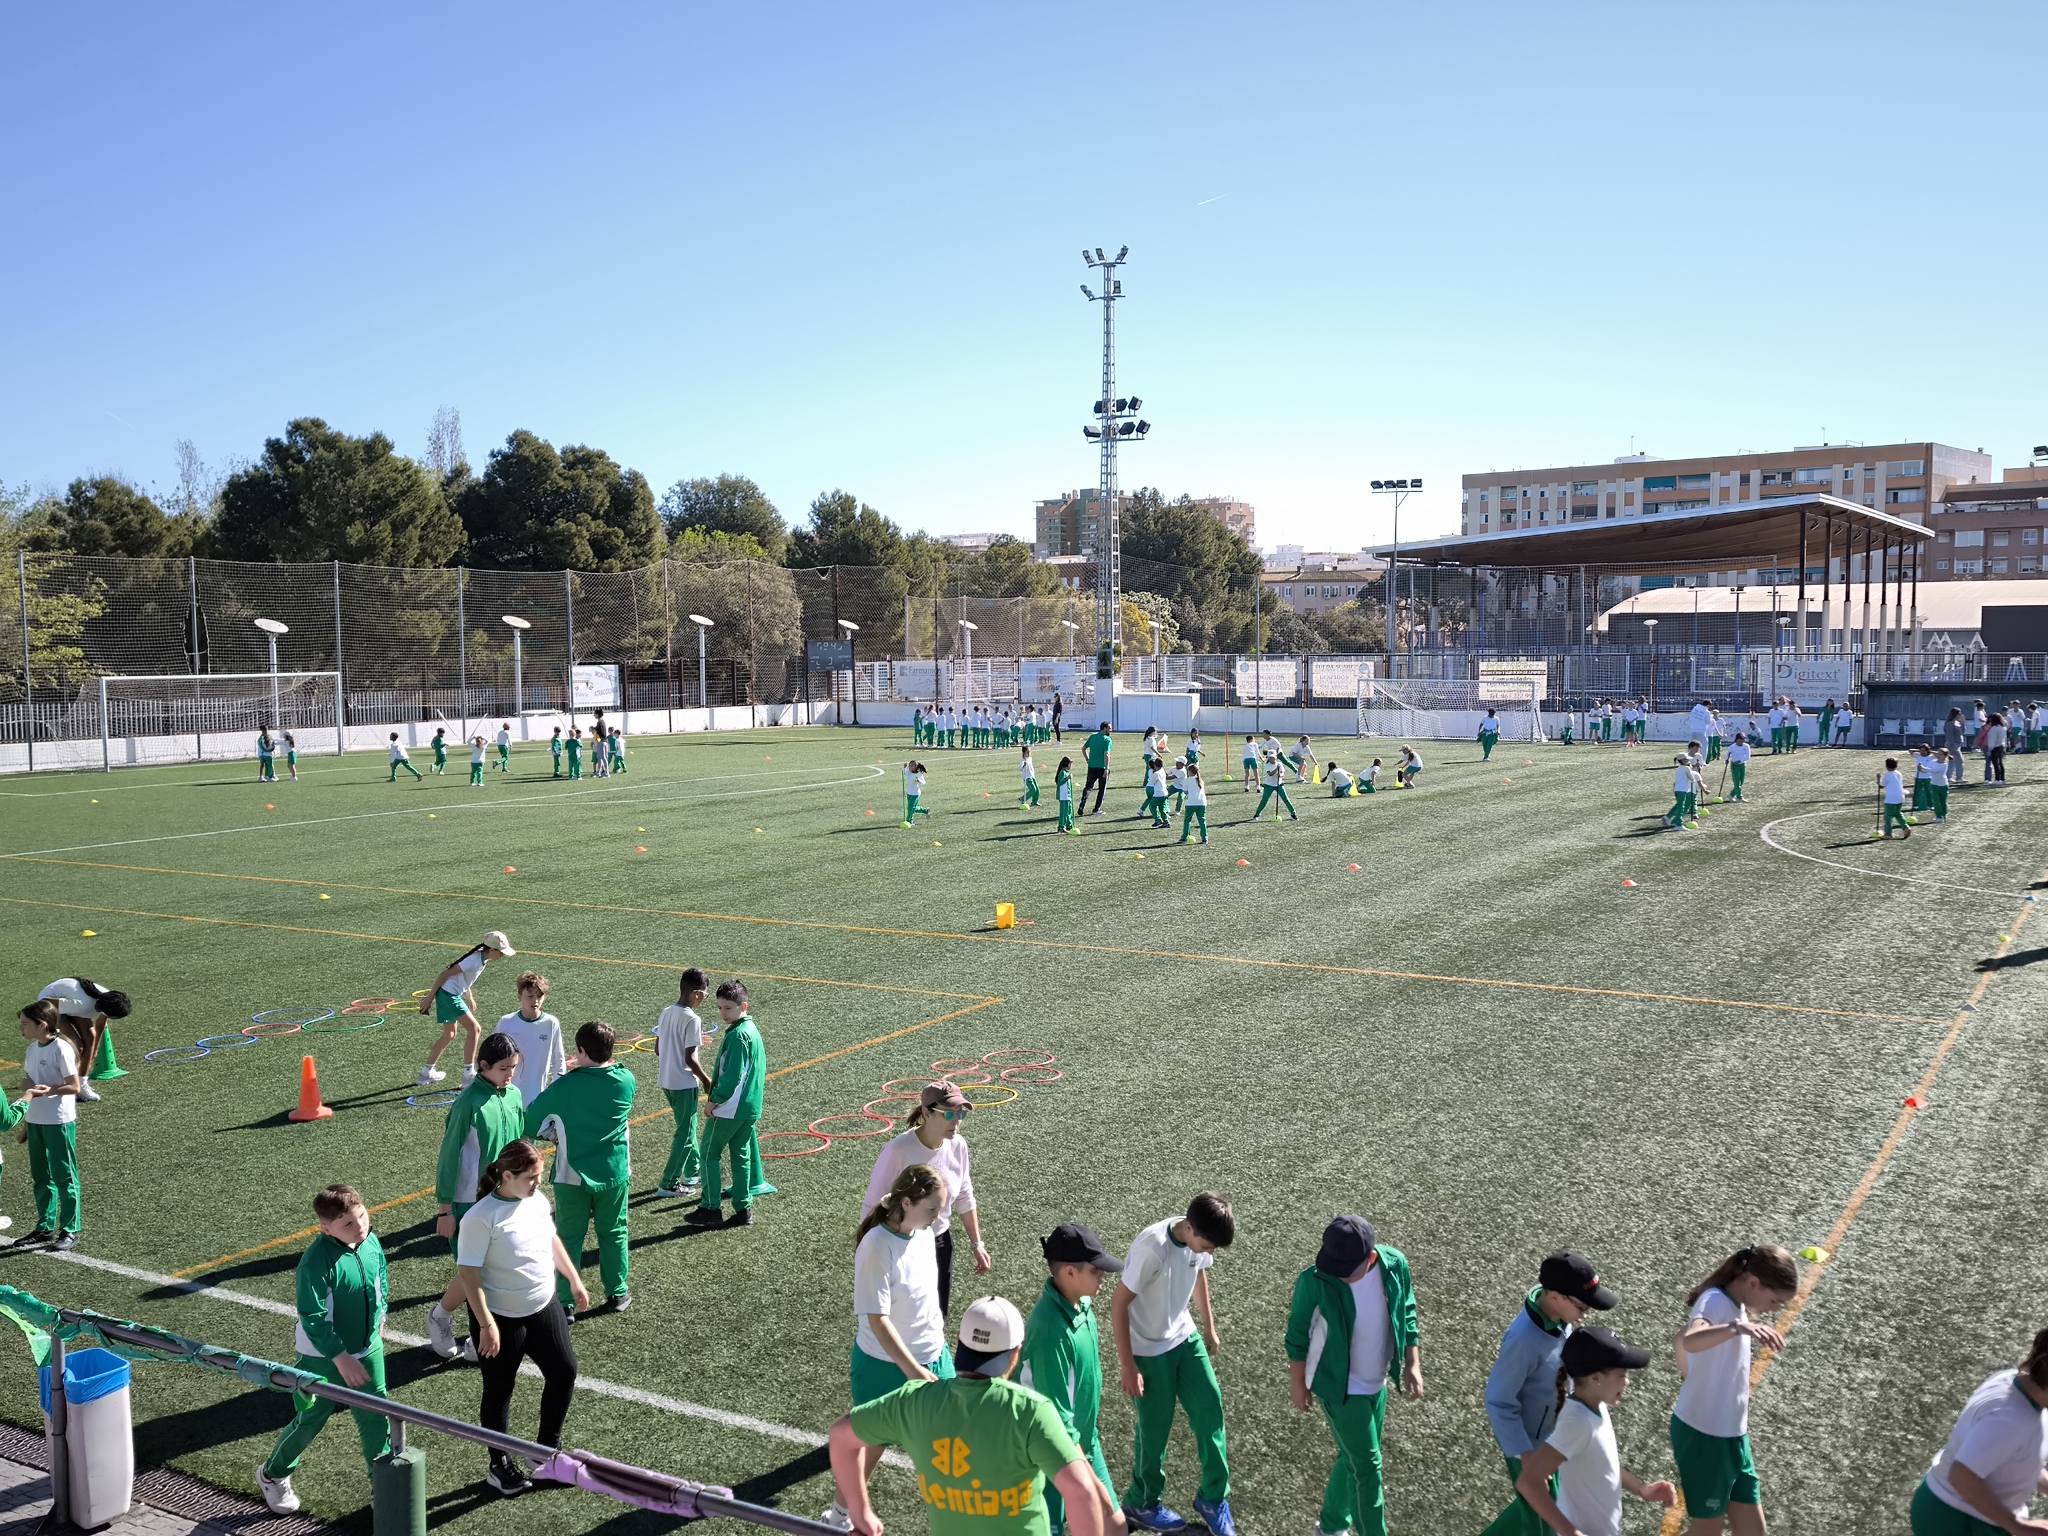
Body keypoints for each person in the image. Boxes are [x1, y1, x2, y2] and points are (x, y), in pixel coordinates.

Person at [829, 1294, 1110, 1536]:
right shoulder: (1030, 1411)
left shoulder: (913, 1402)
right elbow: (1081, 1493)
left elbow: (841, 1437)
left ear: (961, 1346)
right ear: (1014, 1354)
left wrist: (860, 1510)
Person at [456, 1141, 586, 1498]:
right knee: (499, 1391)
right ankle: (499, 1464)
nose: (537, 1184)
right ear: (506, 1176)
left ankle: (544, 1451)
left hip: (543, 1307)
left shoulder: (537, 1201)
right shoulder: (480, 1218)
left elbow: (551, 1240)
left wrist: (573, 1280)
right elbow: (468, 1275)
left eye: (539, 1177)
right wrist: (485, 1324)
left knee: (564, 1372)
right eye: (530, 1178)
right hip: (500, 1319)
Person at [255, 1186, 391, 1515]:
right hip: (321, 1355)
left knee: (376, 1417)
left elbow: (381, 1280)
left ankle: (383, 1487)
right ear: (325, 1228)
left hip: (367, 1347)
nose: (360, 1226)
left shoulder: (370, 1241)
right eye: (348, 1224)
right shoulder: (315, 1262)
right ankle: (272, 1474)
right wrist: (340, 1356)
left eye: (362, 1216)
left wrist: (380, 1319)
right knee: (311, 1419)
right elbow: (313, 1317)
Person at [1285, 1214, 1423, 1536]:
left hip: (1378, 1383)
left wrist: (1411, 1361)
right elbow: (1297, 1334)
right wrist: (1297, 1382)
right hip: (1341, 1389)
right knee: (1368, 1469)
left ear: (1371, 1258)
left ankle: (1331, 1526)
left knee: (1353, 1460)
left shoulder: (1394, 1265)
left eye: (1345, 1271)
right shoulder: (1315, 1281)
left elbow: (1407, 1310)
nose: (1337, 1275)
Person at [1114, 1192, 1236, 1536]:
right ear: (1191, 1228)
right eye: (1209, 1244)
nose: (1210, 1252)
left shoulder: (1195, 1244)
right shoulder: (1153, 1248)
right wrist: (1127, 1365)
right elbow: (1119, 1304)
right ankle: (1143, 1502)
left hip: (1184, 1337)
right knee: (1154, 1432)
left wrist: (1209, 1327)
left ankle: (1213, 1498)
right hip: (1148, 1351)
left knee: (1210, 1409)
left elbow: (1200, 1276)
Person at [1480, 1252, 1618, 1536]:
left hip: (1555, 1439)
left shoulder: (1562, 1320)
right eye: (1582, 1306)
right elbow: (1498, 1400)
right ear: (1556, 1298)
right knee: (1543, 1523)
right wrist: (1525, 1455)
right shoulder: (1523, 1341)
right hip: (1530, 1446)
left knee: (1542, 1506)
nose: (1586, 1313)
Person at [1670, 1244, 1798, 1534]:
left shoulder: (1736, 1305)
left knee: (1754, 1531)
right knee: (1707, 1530)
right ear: (1753, 1282)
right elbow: (1691, 1339)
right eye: (1775, 1301)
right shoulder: (1714, 1300)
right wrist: (1738, 1328)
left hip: (1733, 1436)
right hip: (1704, 1434)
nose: (1774, 1310)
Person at [1514, 1326, 1676, 1536]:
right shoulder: (1577, 1421)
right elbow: (1529, 1482)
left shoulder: (1596, 1406)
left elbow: (1603, 1467)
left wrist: (1641, 1488)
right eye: (1621, 1374)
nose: (1626, 1382)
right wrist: (1570, 1532)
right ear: (1595, 1378)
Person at [523, 1020, 636, 1315]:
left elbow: (531, 1122)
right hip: (614, 1171)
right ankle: (617, 1292)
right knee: (614, 1233)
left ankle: (566, 1302)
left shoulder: (566, 1086)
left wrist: (553, 1133)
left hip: (571, 1174)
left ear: (581, 1051)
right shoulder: (626, 1080)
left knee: (568, 1238)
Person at [427, 1032, 527, 1360]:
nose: (510, 1073)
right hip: (470, 1202)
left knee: (489, 1267)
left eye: (513, 1067)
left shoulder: (512, 1095)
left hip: (505, 1198)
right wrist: (445, 1209)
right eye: (503, 1068)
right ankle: (453, 1324)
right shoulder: (467, 1103)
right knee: (476, 1269)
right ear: (483, 1066)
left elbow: (519, 1144)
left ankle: (445, 1318)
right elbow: (449, 1156)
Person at [1023, 1224, 1125, 1536]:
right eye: (1095, 1271)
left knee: (1115, 1527)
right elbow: (1055, 1419)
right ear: (1069, 1273)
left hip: (1083, 1442)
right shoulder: (1049, 1331)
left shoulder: (1082, 1306)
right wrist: (1092, 1484)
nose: (1103, 1278)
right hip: (1051, 1455)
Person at [863, 1081, 990, 1315]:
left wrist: (977, 1244)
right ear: (925, 1113)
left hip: (940, 1244)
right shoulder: (897, 1150)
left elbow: (964, 1194)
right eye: (950, 1113)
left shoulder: (958, 1146)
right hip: (901, 1245)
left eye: (961, 1113)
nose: (957, 1121)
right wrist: (871, 1253)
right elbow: (872, 1205)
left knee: (937, 1314)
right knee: (903, 1316)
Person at [1911, 1328, 2048, 1534]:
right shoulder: (2009, 1418)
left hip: (1954, 1509)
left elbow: (2010, 1457)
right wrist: (2017, 1526)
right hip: (1955, 1519)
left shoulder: (2015, 1382)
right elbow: (1962, 1476)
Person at [689, 980, 766, 1228]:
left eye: (728, 1008)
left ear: (744, 1006)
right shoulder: (751, 1030)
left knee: (709, 1153)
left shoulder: (738, 1035)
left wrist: (714, 1101)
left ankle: (710, 1208)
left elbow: (732, 1077)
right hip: (749, 1107)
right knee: (740, 1155)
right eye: (720, 1008)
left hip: (730, 1107)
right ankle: (743, 1209)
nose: (723, 1013)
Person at [18, 1000, 82, 1247]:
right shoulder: (33, 1049)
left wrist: (48, 1091)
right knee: (41, 1177)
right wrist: (26, 1122)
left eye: (25, 1024)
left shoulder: (61, 1049)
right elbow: (29, 1081)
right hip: (36, 1121)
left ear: (41, 1024)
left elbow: (74, 1086)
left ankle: (70, 1229)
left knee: (65, 1176)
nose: (21, 1029)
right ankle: (44, 1228)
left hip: (58, 1122)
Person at [417, 931, 515, 1088]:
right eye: (501, 952)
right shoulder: (474, 960)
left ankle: (426, 1072)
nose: (502, 956)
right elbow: (445, 974)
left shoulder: (481, 959)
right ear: (492, 950)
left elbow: (464, 979)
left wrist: (470, 997)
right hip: (448, 996)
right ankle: (468, 1075)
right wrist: (429, 997)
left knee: (449, 1034)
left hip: (447, 995)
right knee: (475, 1029)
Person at [654, 968, 715, 1198]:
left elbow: (658, 1049)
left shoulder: (667, 1011)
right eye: (705, 996)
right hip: (684, 1083)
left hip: (667, 1081)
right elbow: (689, 1058)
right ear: (697, 993)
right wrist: (706, 1079)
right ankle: (668, 1182)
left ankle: (693, 1171)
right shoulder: (692, 1018)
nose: (704, 1000)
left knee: (687, 1129)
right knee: (685, 1133)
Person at [37, 977, 130, 1102]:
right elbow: (45, 1003)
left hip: (70, 1002)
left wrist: (95, 1048)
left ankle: (82, 1085)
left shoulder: (108, 999)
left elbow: (100, 1024)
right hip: (51, 1006)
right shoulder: (83, 1005)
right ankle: (67, 1084)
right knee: (76, 1045)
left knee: (90, 1040)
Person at [494, 971, 565, 1111]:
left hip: (538, 1095)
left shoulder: (551, 1023)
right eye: (530, 996)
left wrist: (557, 1087)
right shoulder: (506, 1022)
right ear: (519, 996)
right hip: (508, 1093)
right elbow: (493, 1056)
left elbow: (559, 1058)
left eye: (539, 996)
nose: (535, 1001)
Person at [1252, 750, 1299, 823]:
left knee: (1286, 799)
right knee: (1264, 800)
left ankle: (1293, 814)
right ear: (1268, 758)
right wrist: (1276, 769)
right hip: (1268, 785)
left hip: (1279, 784)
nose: (1272, 759)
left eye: (1273, 757)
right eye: (1270, 758)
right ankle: (1257, 815)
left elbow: (1282, 773)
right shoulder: (1267, 765)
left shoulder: (1279, 764)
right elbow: (1270, 774)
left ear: (1276, 757)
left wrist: (1280, 775)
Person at [1082, 722, 1114, 817]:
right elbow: (1106, 754)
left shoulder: (1093, 736)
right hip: (1101, 768)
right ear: (1104, 728)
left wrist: (1087, 759)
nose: (1111, 730)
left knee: (1088, 787)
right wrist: (1107, 768)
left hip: (1091, 766)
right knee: (1102, 789)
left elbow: (1083, 748)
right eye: (1109, 728)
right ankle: (1096, 809)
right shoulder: (1107, 739)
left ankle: (1082, 805)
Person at [1880, 757, 1913, 838]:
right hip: (1900, 797)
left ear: (1886, 766)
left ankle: (1888, 834)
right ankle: (1905, 828)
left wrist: (1878, 779)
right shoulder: (1898, 773)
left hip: (1891, 799)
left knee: (1888, 817)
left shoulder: (1886, 775)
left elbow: (1881, 786)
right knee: (1897, 813)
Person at [1664, 754, 1699, 831]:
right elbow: (1692, 778)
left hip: (1677, 789)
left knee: (1679, 805)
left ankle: (1673, 820)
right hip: (1683, 790)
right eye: (1687, 759)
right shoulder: (1687, 768)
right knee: (1681, 807)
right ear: (1683, 760)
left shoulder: (1678, 768)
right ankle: (1678, 824)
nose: (1688, 761)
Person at [1178, 764, 1210, 844]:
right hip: (1202, 803)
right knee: (1202, 821)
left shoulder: (1187, 780)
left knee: (1187, 821)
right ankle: (1204, 837)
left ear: (1190, 771)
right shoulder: (1200, 780)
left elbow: (1185, 791)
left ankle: (1185, 836)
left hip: (1191, 803)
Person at [903, 759, 934, 826]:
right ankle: (926, 811)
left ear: (916, 767)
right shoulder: (909, 771)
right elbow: (905, 773)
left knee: (910, 808)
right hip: (909, 793)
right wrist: (905, 767)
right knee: (913, 808)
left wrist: (918, 780)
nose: (910, 767)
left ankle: (909, 821)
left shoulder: (919, 773)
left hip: (915, 794)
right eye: (909, 765)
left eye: (912, 766)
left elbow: (923, 782)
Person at [1141, 756, 1170, 828]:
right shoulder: (1162, 770)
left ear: (1155, 765)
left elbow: (1152, 782)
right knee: (1162, 809)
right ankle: (1166, 822)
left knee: (1152, 806)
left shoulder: (1156, 774)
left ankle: (1158, 820)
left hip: (1158, 793)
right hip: (1165, 793)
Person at [1725, 732, 1752, 803]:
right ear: (1736, 740)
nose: (1741, 742)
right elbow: (1727, 754)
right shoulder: (1731, 747)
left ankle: (1731, 795)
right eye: (1739, 741)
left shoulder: (1746, 746)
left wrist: (1740, 761)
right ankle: (1739, 797)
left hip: (1742, 765)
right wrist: (1726, 760)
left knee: (1741, 782)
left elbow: (1748, 757)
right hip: (1734, 766)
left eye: (1742, 741)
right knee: (1737, 782)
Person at [1945, 708, 1968, 785]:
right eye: (1959, 714)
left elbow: (1963, 732)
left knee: (1952, 762)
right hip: (1953, 745)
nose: (1960, 715)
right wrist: (1952, 746)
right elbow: (1949, 736)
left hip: (1958, 744)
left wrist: (1963, 723)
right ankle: (1959, 778)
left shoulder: (1957, 722)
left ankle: (1948, 777)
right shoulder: (1950, 723)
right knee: (1960, 761)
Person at [1986, 712, 2009, 785]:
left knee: (1996, 764)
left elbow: (1992, 740)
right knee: (2000, 764)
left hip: (1995, 747)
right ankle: (2002, 778)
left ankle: (1997, 779)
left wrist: (1990, 749)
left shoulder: (1994, 728)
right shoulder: (2002, 728)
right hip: (2001, 746)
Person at [1057, 756, 1078, 834]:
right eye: (1070, 763)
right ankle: (1061, 827)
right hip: (1063, 796)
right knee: (1064, 812)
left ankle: (1069, 825)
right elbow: (1060, 783)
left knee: (1069, 811)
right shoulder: (1062, 772)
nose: (1071, 765)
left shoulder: (1066, 772)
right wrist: (1067, 778)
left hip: (1067, 796)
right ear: (1067, 764)